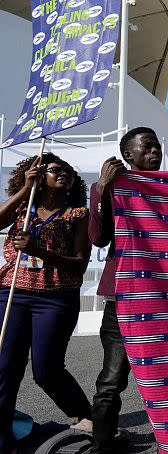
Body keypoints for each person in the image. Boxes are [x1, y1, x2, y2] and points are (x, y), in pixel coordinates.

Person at [87, 127, 168, 453]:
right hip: (124, 296)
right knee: (112, 379)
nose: (155, 151)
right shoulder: (110, 188)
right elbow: (98, 238)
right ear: (129, 155)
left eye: (157, 145)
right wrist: (102, 188)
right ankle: (102, 444)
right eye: (147, 146)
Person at [0, 153, 92, 453]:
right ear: (39, 175)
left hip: (55, 298)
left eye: (67, 170)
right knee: (5, 368)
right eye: (55, 170)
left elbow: (79, 264)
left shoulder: (78, 214)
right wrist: (26, 190)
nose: (63, 173)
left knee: (47, 370)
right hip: (12, 293)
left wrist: (38, 250)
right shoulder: (21, 209)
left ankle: (90, 417)